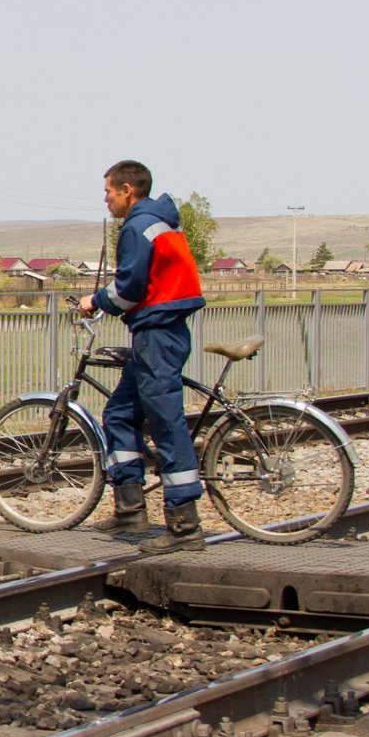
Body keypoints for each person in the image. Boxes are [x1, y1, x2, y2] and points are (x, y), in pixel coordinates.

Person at [77, 160, 207, 551]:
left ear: (127, 191)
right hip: (159, 331)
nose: (105, 199)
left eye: (108, 192)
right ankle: (131, 510)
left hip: (157, 334)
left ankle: (185, 528)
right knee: (118, 414)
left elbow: (129, 290)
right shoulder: (158, 220)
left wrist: (94, 300)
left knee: (167, 425)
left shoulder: (136, 226)